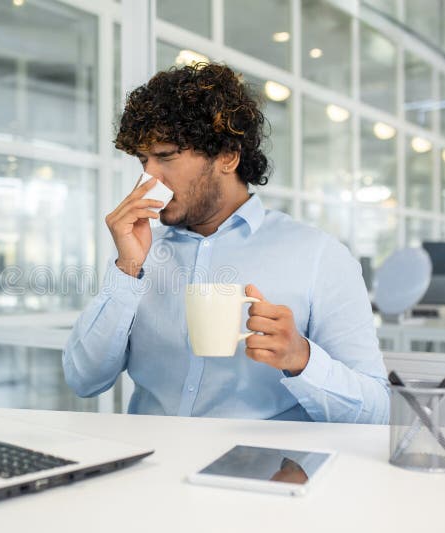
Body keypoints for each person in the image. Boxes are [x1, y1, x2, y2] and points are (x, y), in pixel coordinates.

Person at [62, 63, 389, 424]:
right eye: (144, 160)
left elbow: (376, 411)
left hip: (261, 472)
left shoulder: (319, 256)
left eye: (166, 156)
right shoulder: (139, 251)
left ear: (228, 156)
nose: (148, 177)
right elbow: (83, 379)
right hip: (152, 468)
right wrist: (126, 270)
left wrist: (302, 359)